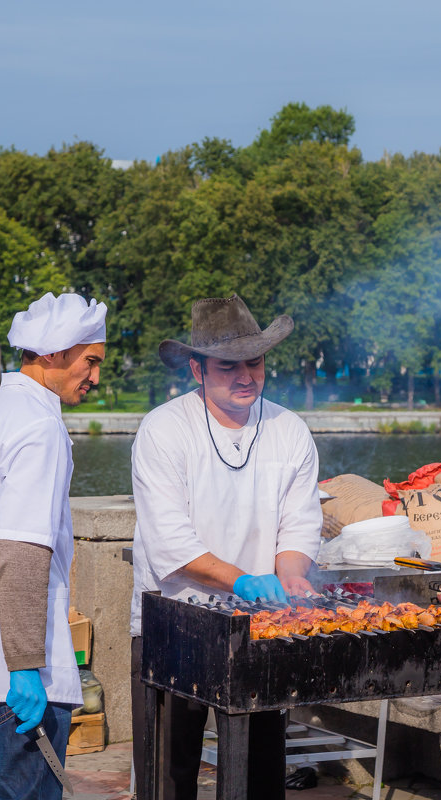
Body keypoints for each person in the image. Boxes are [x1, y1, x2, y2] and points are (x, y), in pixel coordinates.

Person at [129, 294, 323, 799]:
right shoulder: (163, 430)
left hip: (258, 625)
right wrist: (241, 580)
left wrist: (291, 574)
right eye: (228, 366)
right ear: (197, 369)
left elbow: (299, 523)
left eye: (254, 363)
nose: (245, 376)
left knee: (260, 770)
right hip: (175, 620)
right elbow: (169, 539)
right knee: (170, 774)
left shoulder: (290, 430)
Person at [0, 291, 107, 800]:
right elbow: (21, 552)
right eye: (90, 361)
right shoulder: (40, 426)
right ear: (54, 354)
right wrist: (24, 663)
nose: (95, 377)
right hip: (20, 676)